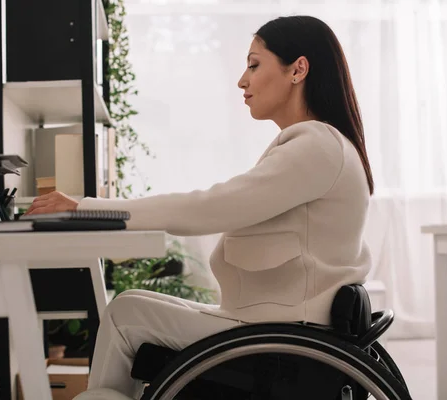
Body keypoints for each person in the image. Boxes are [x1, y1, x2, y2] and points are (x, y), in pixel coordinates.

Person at [25, 15, 374, 399]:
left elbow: (209, 207)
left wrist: (87, 208)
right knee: (128, 308)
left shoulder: (316, 147)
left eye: (254, 65)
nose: (243, 80)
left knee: (125, 316)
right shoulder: (319, 145)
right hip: (279, 324)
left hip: (280, 334)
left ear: (298, 70)